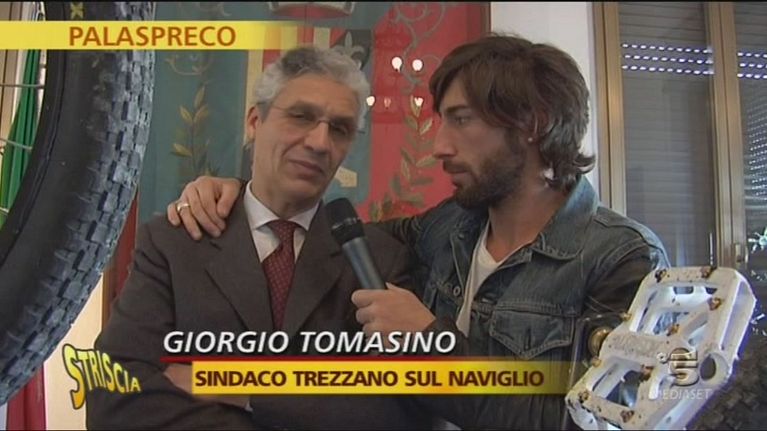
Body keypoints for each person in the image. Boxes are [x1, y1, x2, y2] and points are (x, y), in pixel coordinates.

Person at [168, 34, 670, 429]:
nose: (439, 147)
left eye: (461, 120)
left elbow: (595, 421)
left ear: (532, 124)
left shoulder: (622, 259)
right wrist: (242, 196)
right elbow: (328, 237)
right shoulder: (448, 226)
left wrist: (431, 342)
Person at [86, 46, 434, 430]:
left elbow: (399, 414)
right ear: (255, 121)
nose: (320, 142)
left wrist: (246, 389)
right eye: (301, 116)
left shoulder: (377, 260)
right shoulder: (175, 242)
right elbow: (114, 397)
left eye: (339, 128)